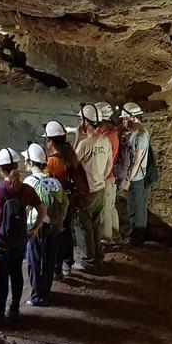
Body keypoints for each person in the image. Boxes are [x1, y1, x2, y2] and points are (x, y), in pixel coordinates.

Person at [0, 148, 42, 326]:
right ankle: (14, 310)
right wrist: (34, 228)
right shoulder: (25, 189)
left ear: (0, 168)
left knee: (2, 278)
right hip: (19, 239)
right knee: (16, 273)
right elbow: (42, 209)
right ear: (17, 165)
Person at [23, 143, 67, 306]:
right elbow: (64, 202)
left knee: (34, 259)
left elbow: (24, 207)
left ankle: (37, 297)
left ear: (29, 162)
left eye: (25, 160)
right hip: (54, 225)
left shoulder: (29, 181)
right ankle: (46, 292)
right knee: (49, 258)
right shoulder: (53, 179)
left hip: (36, 225)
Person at [43, 120, 85, 277]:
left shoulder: (52, 161)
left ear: (50, 142)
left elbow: (46, 184)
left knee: (56, 234)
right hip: (70, 199)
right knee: (66, 231)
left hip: (58, 202)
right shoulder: (69, 155)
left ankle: (57, 268)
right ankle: (68, 263)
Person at [72, 104, 112, 272]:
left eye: (81, 119)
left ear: (86, 122)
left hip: (87, 191)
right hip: (101, 188)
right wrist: (100, 178)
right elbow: (110, 163)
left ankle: (89, 261)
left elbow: (71, 164)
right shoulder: (105, 140)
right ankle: (97, 256)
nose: (80, 122)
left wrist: (76, 137)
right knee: (96, 223)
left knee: (84, 225)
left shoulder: (84, 144)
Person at [119, 102, 151, 244]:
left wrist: (128, 179)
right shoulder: (135, 133)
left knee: (138, 208)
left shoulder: (141, 135)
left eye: (124, 119)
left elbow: (137, 160)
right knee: (133, 206)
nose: (123, 122)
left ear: (132, 117)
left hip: (137, 178)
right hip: (135, 176)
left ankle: (138, 239)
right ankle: (134, 237)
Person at [95, 102, 121, 244]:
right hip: (111, 177)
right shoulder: (112, 133)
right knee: (111, 208)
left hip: (106, 176)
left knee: (105, 209)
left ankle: (106, 239)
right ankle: (116, 238)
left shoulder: (107, 137)